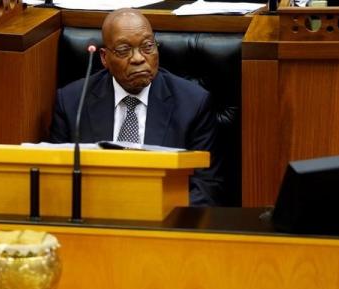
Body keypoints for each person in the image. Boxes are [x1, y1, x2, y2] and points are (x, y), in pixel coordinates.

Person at [49, 8, 224, 206]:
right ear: (104, 58)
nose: (138, 58)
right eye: (124, 50)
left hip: (163, 223)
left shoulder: (193, 104)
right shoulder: (72, 102)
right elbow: (56, 180)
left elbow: (207, 188)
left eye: (147, 47)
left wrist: (153, 218)